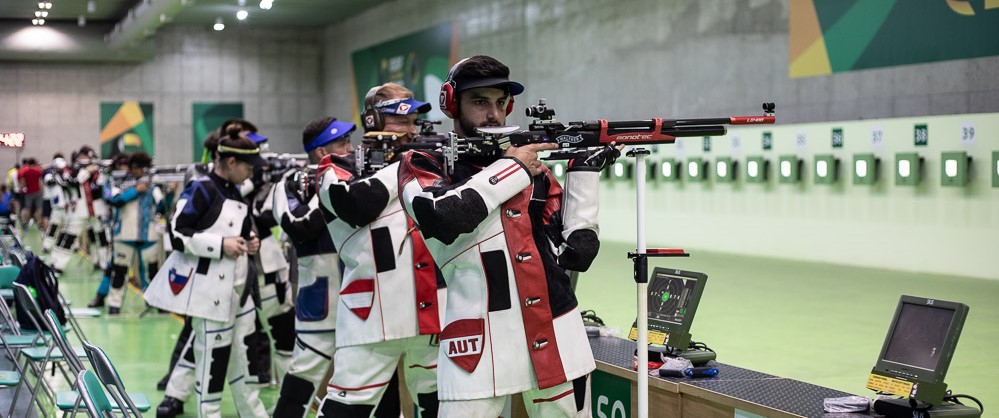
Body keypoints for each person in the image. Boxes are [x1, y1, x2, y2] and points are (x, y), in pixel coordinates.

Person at [398, 55, 619, 417]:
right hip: (475, 342)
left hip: (556, 328)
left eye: (501, 103)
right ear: (453, 104)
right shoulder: (424, 162)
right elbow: (442, 217)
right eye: (480, 102)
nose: (494, 115)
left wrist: (583, 175)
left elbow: (576, 254)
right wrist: (514, 167)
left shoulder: (535, 171)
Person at [315, 83, 442, 417]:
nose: (411, 129)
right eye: (401, 121)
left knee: (440, 404)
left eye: (414, 120)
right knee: (347, 408)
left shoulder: (427, 163)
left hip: (432, 310)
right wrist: (405, 165)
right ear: (371, 120)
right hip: (371, 313)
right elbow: (356, 205)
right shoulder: (337, 168)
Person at [144, 134, 269, 418]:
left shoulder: (234, 190)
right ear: (231, 161)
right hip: (211, 294)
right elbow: (176, 232)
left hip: (239, 293)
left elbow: (236, 227)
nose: (252, 172)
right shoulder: (201, 188)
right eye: (248, 167)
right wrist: (219, 245)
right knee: (211, 368)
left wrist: (248, 240)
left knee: (244, 362)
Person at [270, 116, 352, 418]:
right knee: (301, 380)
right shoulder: (288, 184)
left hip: (363, 300)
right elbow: (297, 224)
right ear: (321, 152)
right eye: (342, 143)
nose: (351, 148)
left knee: (362, 386)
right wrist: (329, 186)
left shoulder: (356, 178)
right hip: (319, 301)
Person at [103, 152, 168, 315]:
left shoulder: (154, 185)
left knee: (152, 271)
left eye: (141, 168)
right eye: (134, 167)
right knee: (119, 271)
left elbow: (162, 207)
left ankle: (156, 302)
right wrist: (135, 191)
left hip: (149, 235)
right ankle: (114, 304)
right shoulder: (118, 182)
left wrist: (170, 192)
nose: (137, 171)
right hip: (124, 235)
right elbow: (114, 200)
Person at [17, 157, 44, 229]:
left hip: (29, 193)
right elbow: (40, 182)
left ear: (28, 164)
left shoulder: (25, 172)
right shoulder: (38, 172)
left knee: (27, 208)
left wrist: (22, 189)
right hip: (38, 192)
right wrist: (42, 191)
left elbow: (22, 184)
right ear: (34, 164)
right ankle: (39, 223)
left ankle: (25, 223)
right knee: (39, 208)